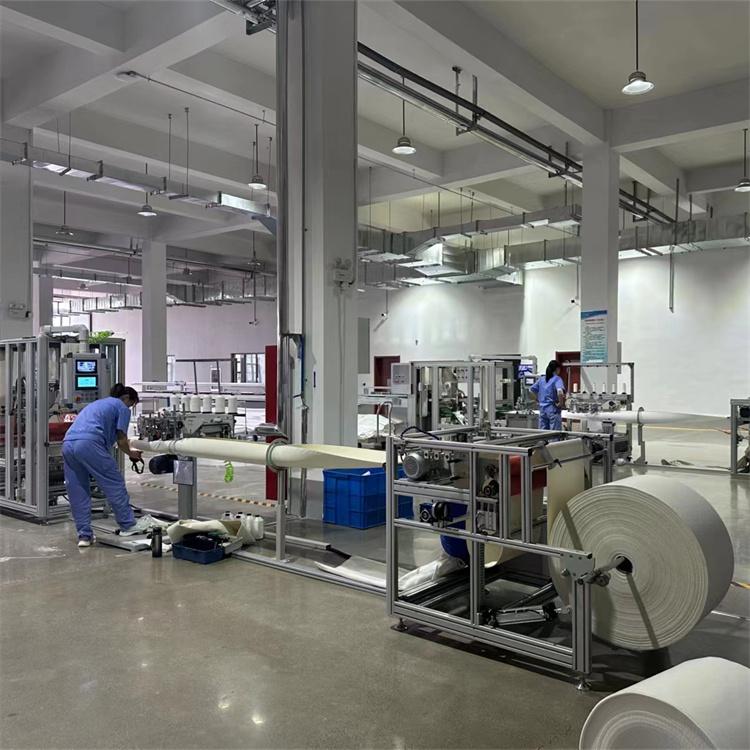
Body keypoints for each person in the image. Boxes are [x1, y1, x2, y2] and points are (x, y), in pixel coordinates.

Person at [63, 383, 154, 547]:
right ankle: (128, 524)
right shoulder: (121, 407)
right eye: (132, 404)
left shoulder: (98, 403)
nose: (130, 408)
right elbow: (121, 440)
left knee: (78, 490)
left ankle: (84, 536)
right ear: (127, 398)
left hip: (68, 443)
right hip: (89, 443)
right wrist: (132, 454)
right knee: (114, 483)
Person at [530, 360, 566, 431]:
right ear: (557, 369)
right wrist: (560, 403)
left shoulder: (542, 379)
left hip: (542, 409)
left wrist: (537, 399)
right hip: (553, 409)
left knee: (543, 432)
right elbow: (560, 392)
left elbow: (531, 390)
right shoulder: (557, 379)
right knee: (554, 433)